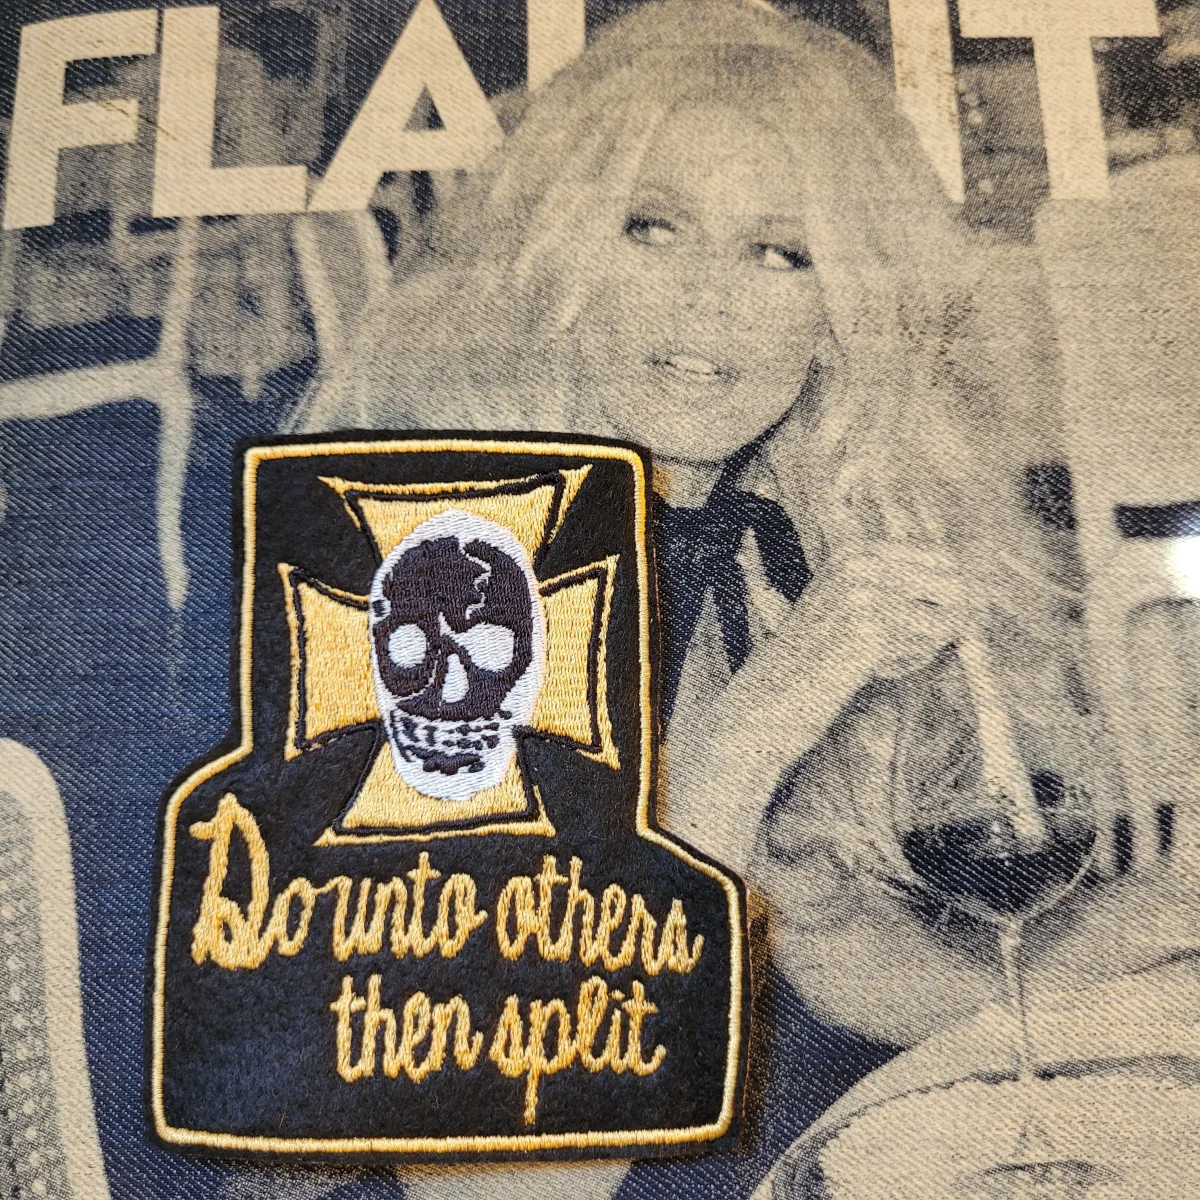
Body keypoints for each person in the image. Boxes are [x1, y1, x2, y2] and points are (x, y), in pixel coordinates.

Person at [295, 0, 1120, 1185]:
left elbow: (830, 953)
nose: (708, 300)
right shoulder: (432, 565)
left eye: (780, 253)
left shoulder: (732, 529)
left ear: (841, 315)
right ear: (558, 252)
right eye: (654, 227)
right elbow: (502, 1176)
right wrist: (762, 719)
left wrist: (1136, 942)